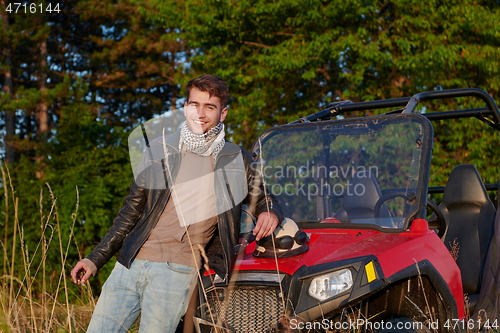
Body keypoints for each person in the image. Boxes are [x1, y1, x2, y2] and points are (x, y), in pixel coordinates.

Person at [70, 74, 284, 333]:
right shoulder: (160, 149)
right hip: (129, 264)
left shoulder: (235, 158)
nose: (201, 113)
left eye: (210, 107)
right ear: (185, 107)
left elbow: (265, 197)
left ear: (223, 113)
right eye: (195, 104)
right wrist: (95, 259)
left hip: (177, 271)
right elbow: (129, 212)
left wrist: (269, 212)